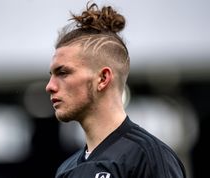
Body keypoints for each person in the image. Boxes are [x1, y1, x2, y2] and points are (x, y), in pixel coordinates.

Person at [45, 1, 187, 178]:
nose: (50, 86)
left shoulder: (147, 157)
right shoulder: (65, 170)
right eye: (51, 74)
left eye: (63, 72)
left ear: (103, 79)